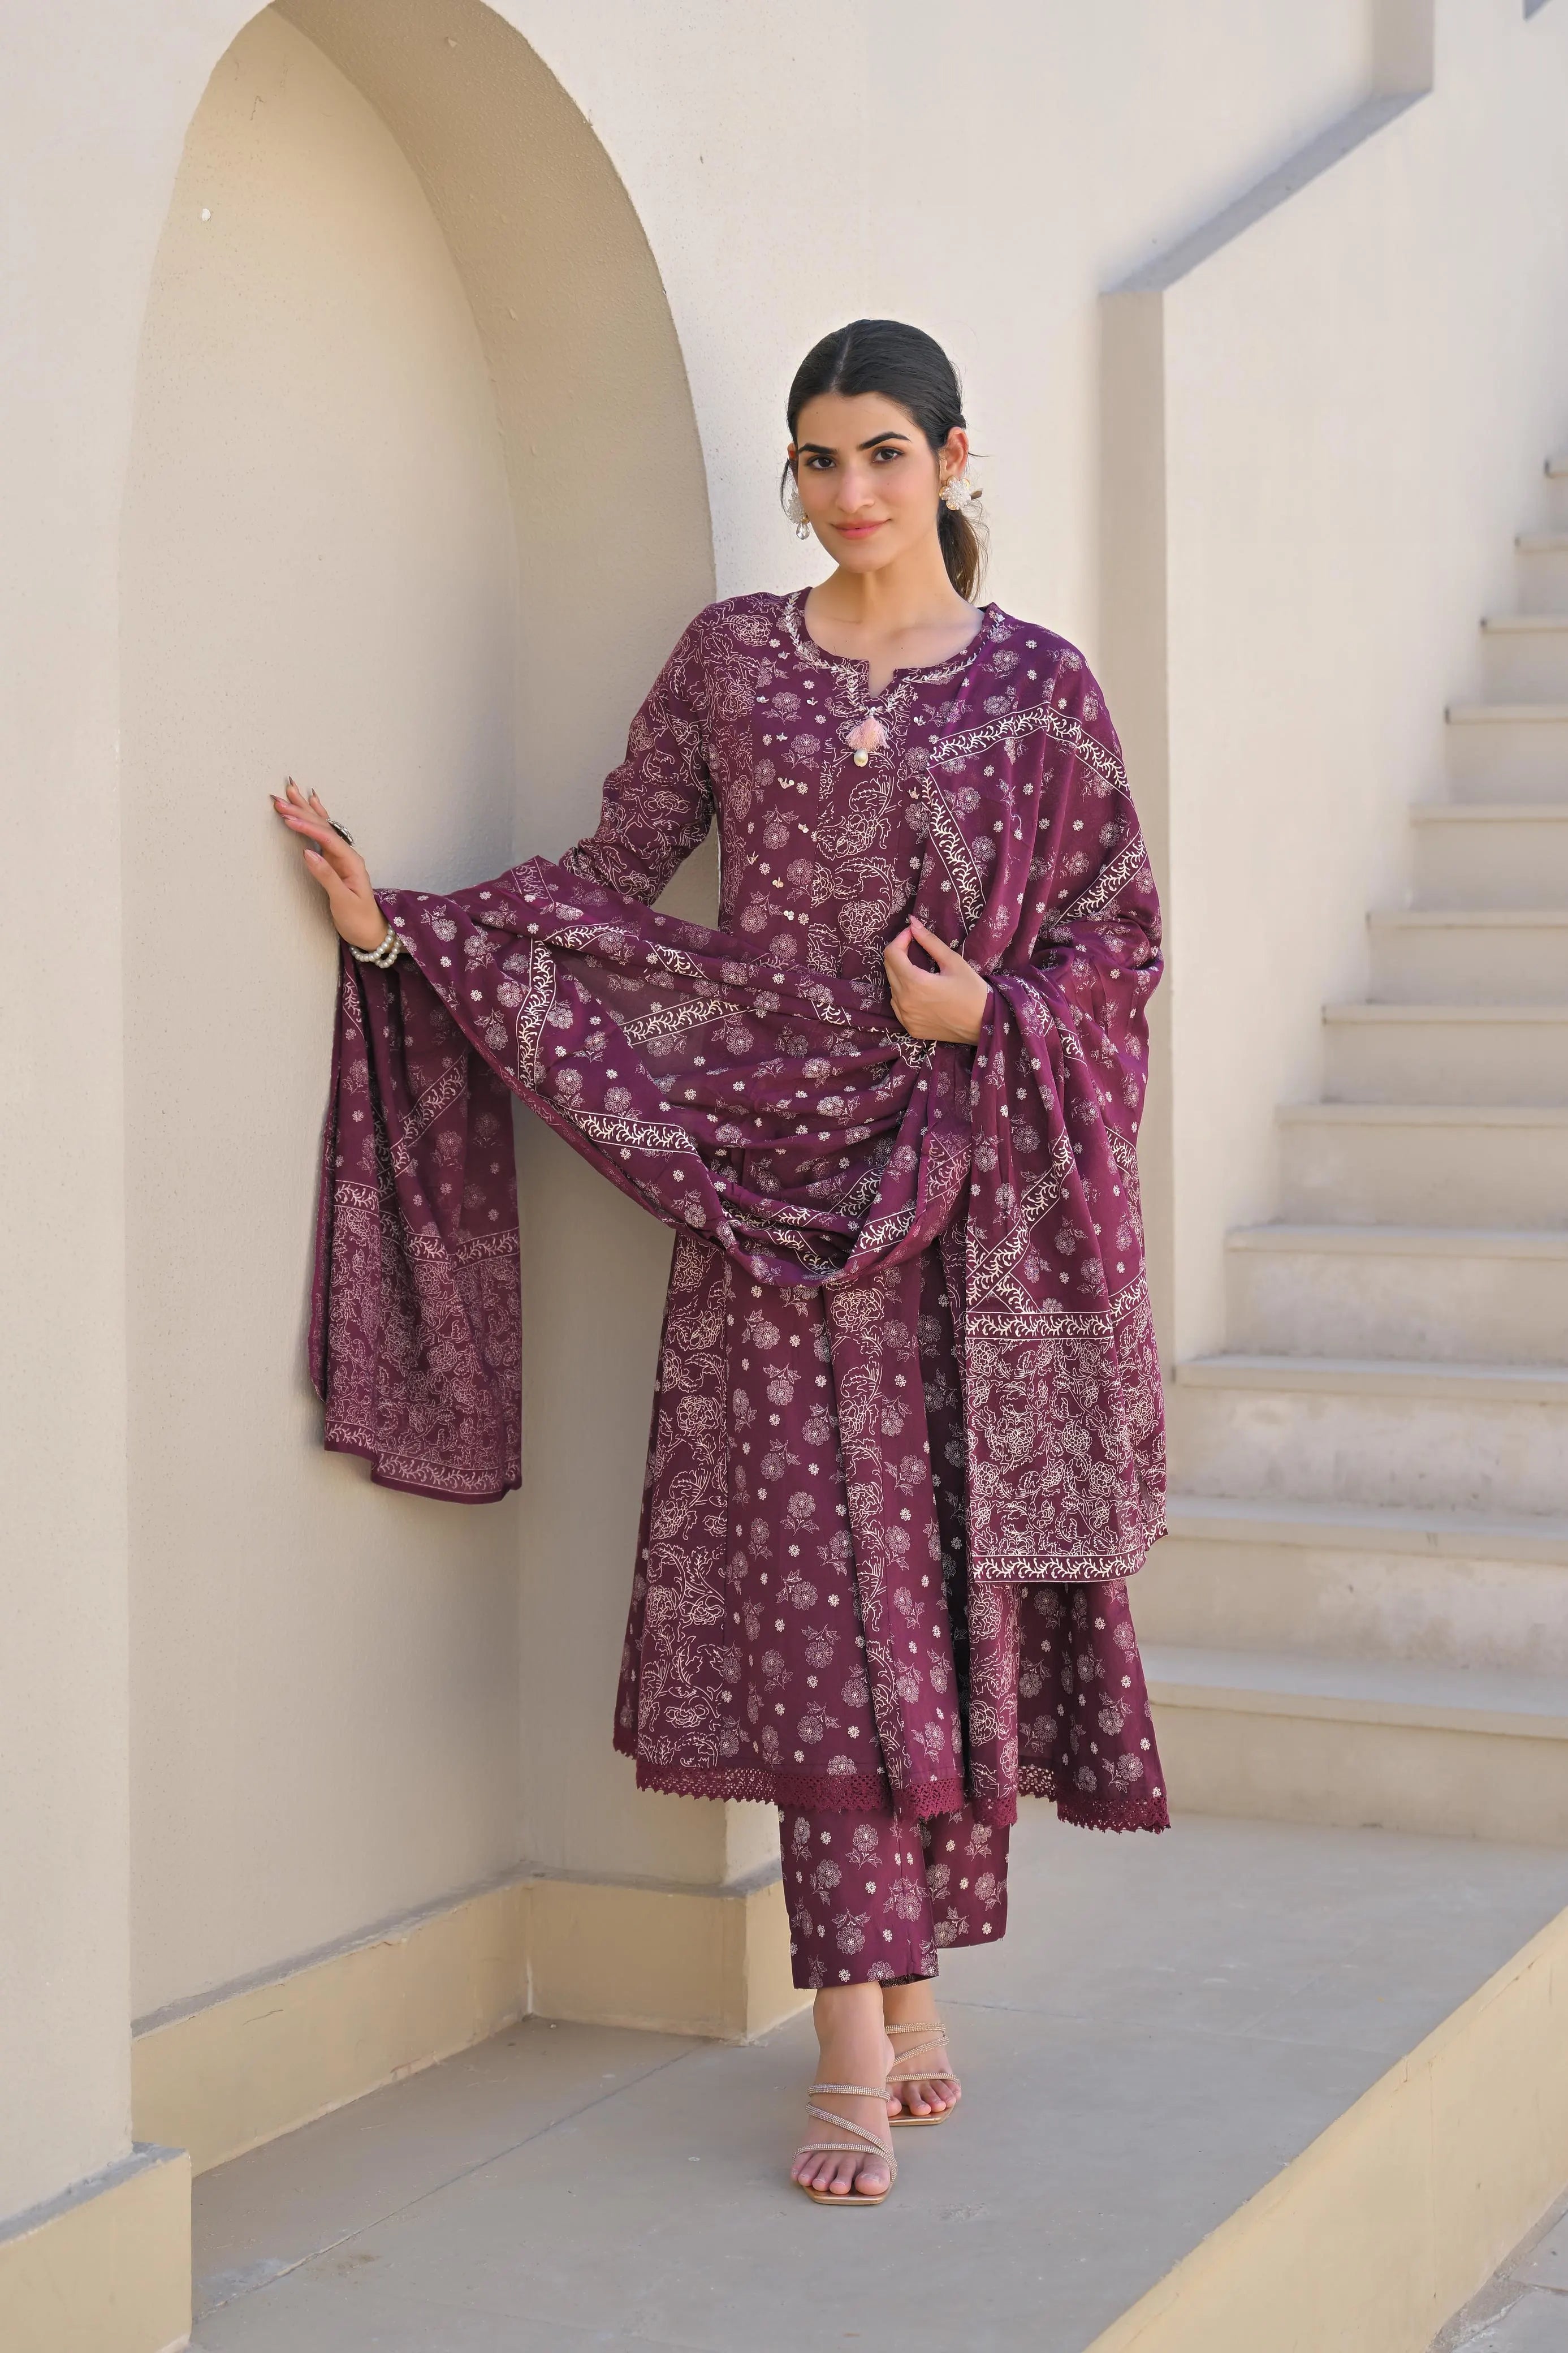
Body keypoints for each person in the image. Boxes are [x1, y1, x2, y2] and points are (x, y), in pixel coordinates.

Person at [273, 318, 1169, 2209]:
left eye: (883, 459)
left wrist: (984, 1018)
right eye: (817, 461)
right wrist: (405, 937)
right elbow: (614, 881)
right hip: (760, 1194)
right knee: (816, 1608)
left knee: (917, 1603)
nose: (847, 497)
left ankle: (909, 1992)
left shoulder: (1037, 693)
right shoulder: (730, 665)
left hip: (950, 1196)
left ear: (950, 462)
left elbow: (1119, 946)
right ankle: (852, 2031)